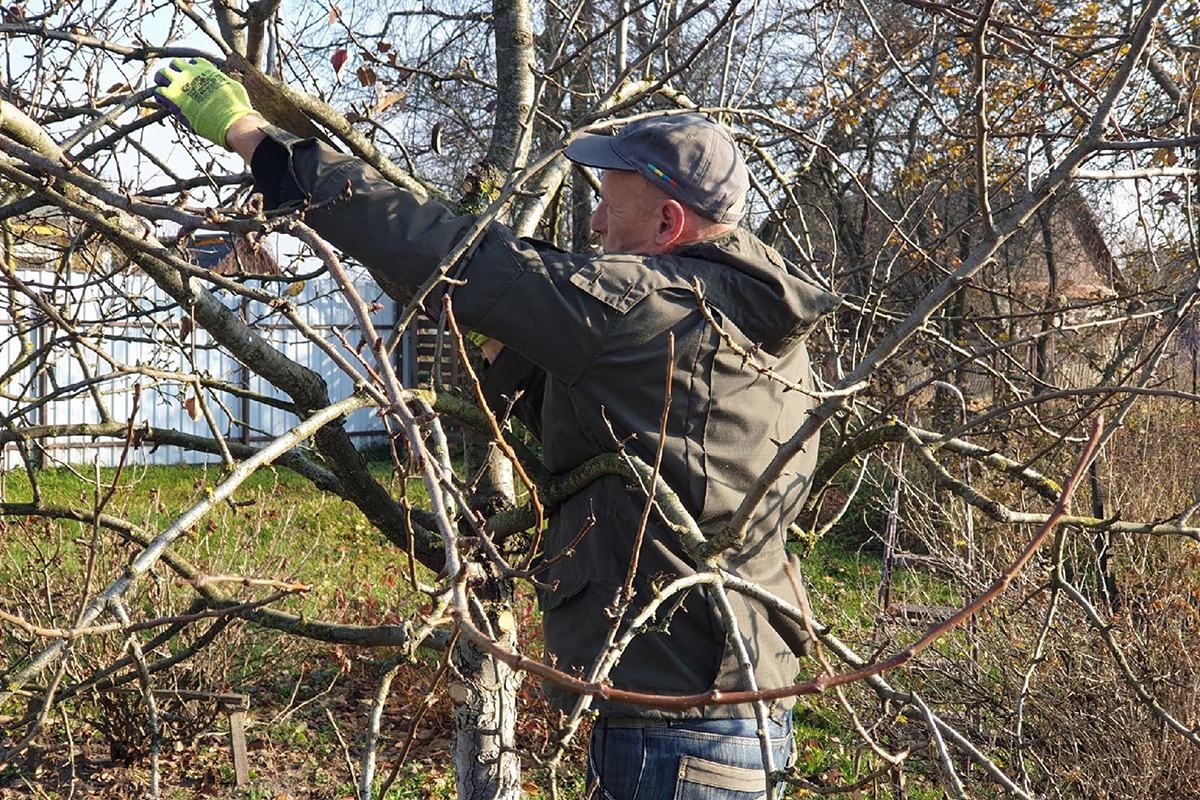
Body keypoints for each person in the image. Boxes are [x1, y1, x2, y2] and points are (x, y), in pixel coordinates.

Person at [155, 57, 839, 799]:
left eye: (610, 207)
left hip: (672, 730)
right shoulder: (751, 321)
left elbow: (451, 255)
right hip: (739, 705)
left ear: (668, 224)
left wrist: (254, 138)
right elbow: (631, 414)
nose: (597, 223)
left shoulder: (651, 307)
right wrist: (501, 328)